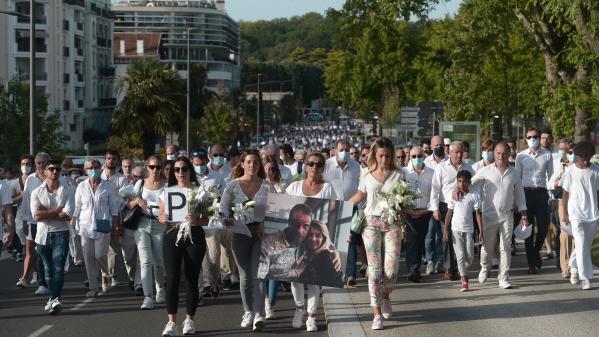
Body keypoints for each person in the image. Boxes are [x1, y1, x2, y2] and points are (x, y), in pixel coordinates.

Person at [349, 137, 405, 330]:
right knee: (374, 270)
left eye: (388, 156)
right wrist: (342, 207)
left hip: (392, 224)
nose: (384, 159)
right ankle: (376, 313)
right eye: (381, 155)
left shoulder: (399, 174)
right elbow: (360, 195)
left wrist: (405, 206)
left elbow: (404, 198)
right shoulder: (365, 173)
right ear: (375, 155)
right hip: (370, 223)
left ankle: (386, 295)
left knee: (391, 270)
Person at [220, 149, 273, 331]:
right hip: (240, 232)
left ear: (260, 165)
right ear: (242, 164)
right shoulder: (232, 186)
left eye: (256, 162)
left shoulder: (267, 186)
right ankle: (248, 311)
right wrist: (226, 220)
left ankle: (259, 314)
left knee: (259, 275)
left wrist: (265, 223)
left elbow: (275, 210)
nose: (252, 165)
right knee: (244, 276)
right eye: (249, 162)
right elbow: (222, 210)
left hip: (261, 234)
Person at [285, 152, 337, 332]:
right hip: (296, 240)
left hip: (316, 240)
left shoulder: (328, 188)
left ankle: (312, 316)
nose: (314, 167)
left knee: (315, 278)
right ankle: (299, 309)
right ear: (305, 166)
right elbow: (285, 210)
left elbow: (333, 211)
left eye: (319, 164)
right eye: (311, 163)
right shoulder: (294, 187)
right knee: (295, 277)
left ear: (323, 168)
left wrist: (333, 241)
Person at [158, 156, 207, 336]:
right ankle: (171, 322)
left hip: (194, 235)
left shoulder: (200, 191)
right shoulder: (166, 191)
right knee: (171, 279)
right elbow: (161, 214)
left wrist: (197, 220)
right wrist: (161, 218)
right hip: (172, 235)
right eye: (176, 170)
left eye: (184, 169)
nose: (180, 173)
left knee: (191, 278)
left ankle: (189, 320)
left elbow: (208, 218)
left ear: (190, 171)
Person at [469, 142, 528, 289]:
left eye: (503, 153)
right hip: (489, 215)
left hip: (507, 216)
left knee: (505, 248)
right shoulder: (486, 171)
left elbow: (520, 195)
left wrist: (524, 214)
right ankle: (484, 267)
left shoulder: (514, 173)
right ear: (494, 154)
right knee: (487, 248)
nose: (501, 156)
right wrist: (459, 188)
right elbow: (470, 184)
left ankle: (503, 277)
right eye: (498, 153)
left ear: (508, 154)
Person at [30, 159, 75, 314]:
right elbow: (36, 216)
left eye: (57, 169)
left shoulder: (68, 190)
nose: (55, 171)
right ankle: (52, 298)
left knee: (58, 267)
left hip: (61, 233)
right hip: (42, 235)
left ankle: (55, 299)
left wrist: (46, 212)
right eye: (51, 169)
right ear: (45, 172)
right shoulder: (37, 192)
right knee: (48, 269)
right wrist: (56, 211)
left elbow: (67, 214)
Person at [72, 159, 121, 298]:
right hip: (85, 226)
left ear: (100, 168)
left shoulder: (108, 186)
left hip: (103, 225)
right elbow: (77, 206)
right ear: (85, 170)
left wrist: (116, 225)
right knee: (88, 257)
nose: (93, 170)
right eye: (90, 168)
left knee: (100, 255)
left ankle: (105, 273)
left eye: (96, 167)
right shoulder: (81, 186)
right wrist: (74, 219)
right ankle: (93, 287)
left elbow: (114, 208)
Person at [430, 141, 474, 281]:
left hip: (463, 207)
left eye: (462, 152)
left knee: (462, 238)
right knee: (447, 237)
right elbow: (435, 189)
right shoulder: (442, 167)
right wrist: (435, 209)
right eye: (456, 152)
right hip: (446, 207)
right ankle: (449, 268)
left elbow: (475, 185)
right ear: (449, 152)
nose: (459, 155)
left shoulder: (469, 167)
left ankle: (460, 266)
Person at [127, 155, 166, 309]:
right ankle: (147, 296)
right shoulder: (140, 184)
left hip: (159, 224)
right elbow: (128, 202)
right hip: (142, 223)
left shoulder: (166, 185)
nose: (155, 170)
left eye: (157, 167)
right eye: (151, 167)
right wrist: (137, 200)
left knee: (159, 261)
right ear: (146, 167)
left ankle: (160, 288)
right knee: (145, 260)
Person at [561, 142, 599, 290]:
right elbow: (565, 194)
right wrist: (565, 213)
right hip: (576, 213)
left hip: (592, 214)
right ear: (578, 155)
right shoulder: (570, 171)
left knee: (584, 246)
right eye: (582, 156)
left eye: (587, 157)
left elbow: (597, 193)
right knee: (581, 243)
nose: (584, 160)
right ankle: (586, 278)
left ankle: (573, 265)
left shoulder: (596, 171)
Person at [515, 128, 553, 274]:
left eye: (535, 136)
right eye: (529, 137)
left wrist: (552, 198)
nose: (532, 139)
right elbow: (517, 179)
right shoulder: (521, 156)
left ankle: (536, 251)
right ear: (526, 138)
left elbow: (550, 177)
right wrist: (517, 200)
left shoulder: (547, 155)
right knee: (528, 230)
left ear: (539, 137)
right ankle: (531, 264)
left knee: (544, 227)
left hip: (542, 194)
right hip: (526, 194)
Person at [191, 149, 226, 301]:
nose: (199, 166)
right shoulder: (188, 178)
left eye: (202, 163)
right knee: (197, 259)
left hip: (212, 223)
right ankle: (200, 290)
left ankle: (214, 280)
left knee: (213, 257)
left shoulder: (217, 177)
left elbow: (225, 197)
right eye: (196, 164)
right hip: (193, 223)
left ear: (207, 161)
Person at [102, 150, 138, 290]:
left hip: (122, 218)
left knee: (128, 254)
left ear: (117, 161)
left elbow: (129, 200)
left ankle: (131, 276)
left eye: (114, 158)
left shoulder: (122, 179)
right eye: (108, 158)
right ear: (105, 160)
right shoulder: (99, 177)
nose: (111, 161)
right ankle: (108, 276)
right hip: (103, 219)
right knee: (105, 251)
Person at [444, 170, 482, 292]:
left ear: (469, 182)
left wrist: (481, 231)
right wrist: (445, 229)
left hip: (469, 230)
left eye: (464, 181)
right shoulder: (454, 195)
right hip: (456, 229)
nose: (461, 184)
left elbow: (477, 214)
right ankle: (464, 279)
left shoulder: (474, 195)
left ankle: (461, 270)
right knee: (460, 255)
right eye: (459, 181)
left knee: (470, 257)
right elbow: (449, 213)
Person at [21, 152, 51, 295]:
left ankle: (52, 279)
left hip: (52, 221)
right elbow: (26, 201)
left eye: (43, 163)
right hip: (34, 221)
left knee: (50, 252)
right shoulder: (31, 179)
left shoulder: (55, 177)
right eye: (38, 163)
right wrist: (25, 220)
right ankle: (43, 283)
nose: (41, 166)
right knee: (39, 252)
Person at [403, 146, 434, 282]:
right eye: (413, 156)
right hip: (409, 213)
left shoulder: (432, 173)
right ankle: (413, 270)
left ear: (424, 157)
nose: (416, 159)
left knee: (422, 241)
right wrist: (406, 209)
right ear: (409, 157)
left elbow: (435, 194)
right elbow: (400, 193)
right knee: (411, 241)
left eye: (419, 156)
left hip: (426, 212)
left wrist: (427, 210)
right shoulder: (404, 173)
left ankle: (418, 267)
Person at [548, 140, 575, 278]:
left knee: (577, 236)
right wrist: (558, 181)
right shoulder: (562, 167)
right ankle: (565, 267)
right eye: (563, 151)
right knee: (565, 234)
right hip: (563, 203)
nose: (565, 153)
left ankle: (575, 265)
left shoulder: (582, 166)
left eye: (569, 151)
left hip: (579, 205)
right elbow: (550, 183)